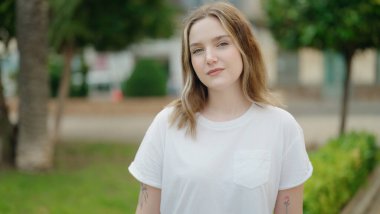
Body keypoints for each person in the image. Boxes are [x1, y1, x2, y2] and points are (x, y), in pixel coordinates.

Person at [128, 2, 313, 214]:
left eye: (222, 44)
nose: (209, 58)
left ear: (245, 47)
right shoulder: (167, 124)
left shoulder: (282, 127)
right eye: (197, 50)